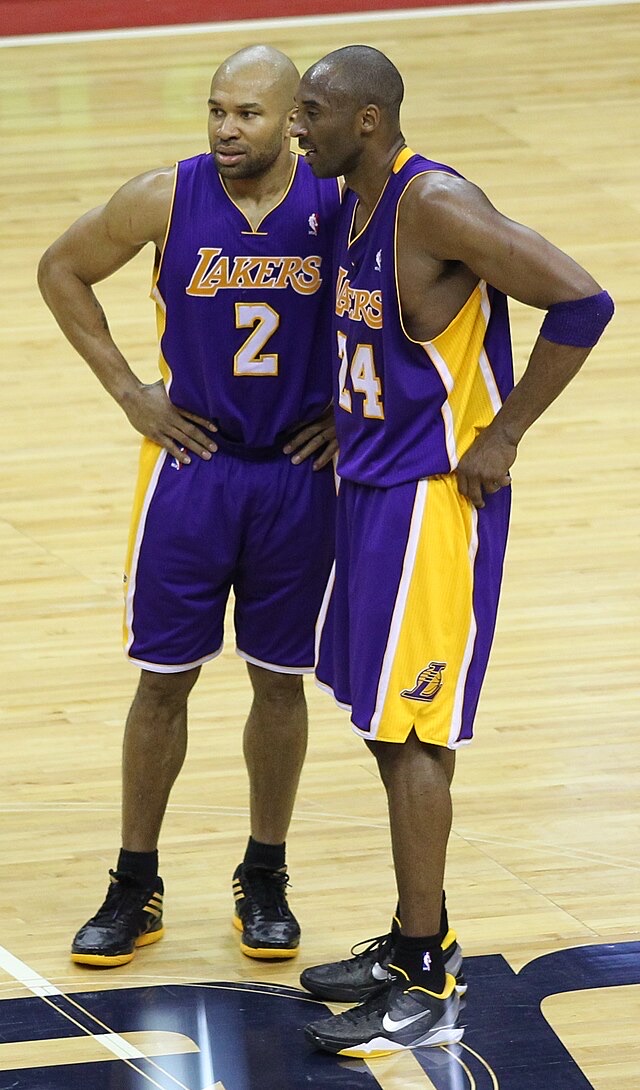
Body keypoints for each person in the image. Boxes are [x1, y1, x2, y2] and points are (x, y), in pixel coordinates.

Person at [291, 45, 614, 1057]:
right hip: (370, 492)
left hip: (434, 505)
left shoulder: (431, 205)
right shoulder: (351, 199)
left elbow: (582, 299)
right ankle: (408, 939)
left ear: (369, 123)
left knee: (417, 731)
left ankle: (426, 981)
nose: (300, 126)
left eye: (314, 110)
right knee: (387, 727)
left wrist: (504, 431)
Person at [37, 45, 342, 968]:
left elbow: (425, 308)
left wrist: (356, 417)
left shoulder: (341, 205)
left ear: (294, 121)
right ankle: (135, 884)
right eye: (216, 110)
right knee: (162, 679)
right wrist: (132, 391)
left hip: (296, 473)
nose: (224, 129)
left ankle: (266, 873)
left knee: (277, 680)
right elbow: (61, 270)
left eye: (247, 113)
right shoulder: (164, 196)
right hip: (193, 469)